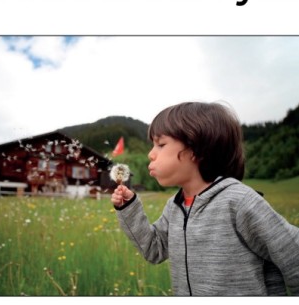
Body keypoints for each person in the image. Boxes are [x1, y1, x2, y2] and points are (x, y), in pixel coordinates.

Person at [111, 101, 299, 296]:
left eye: (161, 144)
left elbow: (294, 255)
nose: (151, 154)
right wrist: (129, 208)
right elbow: (153, 249)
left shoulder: (239, 202)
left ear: (196, 149)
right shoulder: (175, 207)